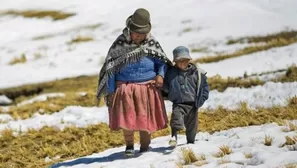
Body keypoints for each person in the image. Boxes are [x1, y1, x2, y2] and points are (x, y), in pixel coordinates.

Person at [96, 8, 172, 155]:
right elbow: (110, 68)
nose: (138, 36)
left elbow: (162, 62)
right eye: (136, 33)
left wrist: (160, 75)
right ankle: (129, 145)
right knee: (127, 118)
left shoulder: (152, 43)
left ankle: (145, 146)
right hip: (125, 88)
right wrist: (111, 91)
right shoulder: (120, 44)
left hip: (147, 88)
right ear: (129, 29)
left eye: (141, 34)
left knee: (145, 119)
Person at [163, 46, 209, 146]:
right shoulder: (170, 73)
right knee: (176, 119)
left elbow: (205, 88)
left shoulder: (197, 73)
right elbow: (165, 85)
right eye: (180, 61)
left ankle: (191, 141)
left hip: (193, 104)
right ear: (175, 61)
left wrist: (200, 101)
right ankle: (173, 137)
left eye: (185, 60)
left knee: (192, 126)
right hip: (178, 103)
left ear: (189, 60)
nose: (183, 63)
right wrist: (166, 92)